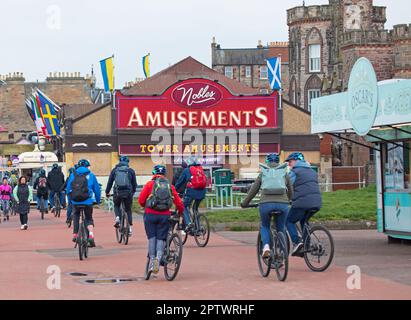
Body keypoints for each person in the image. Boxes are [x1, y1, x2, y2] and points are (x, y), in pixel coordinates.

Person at [241, 153, 293, 257]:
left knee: (265, 225)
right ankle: (282, 252)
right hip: (283, 205)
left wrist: (245, 203)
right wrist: (290, 200)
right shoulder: (284, 172)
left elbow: (253, 191)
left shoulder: (263, 173)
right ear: (278, 162)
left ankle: (266, 247)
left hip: (266, 204)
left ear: (267, 162)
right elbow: (290, 190)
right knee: (281, 227)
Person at [138, 165, 184, 274]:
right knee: (161, 238)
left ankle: (152, 260)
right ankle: (158, 259)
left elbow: (140, 200)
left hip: (150, 215)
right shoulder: (170, 186)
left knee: (152, 238)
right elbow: (178, 202)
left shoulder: (150, 184)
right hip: (164, 215)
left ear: (154, 173)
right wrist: (181, 212)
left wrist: (145, 205)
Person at [285, 152, 322, 256]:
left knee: (289, 221)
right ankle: (307, 245)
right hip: (316, 202)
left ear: (297, 161)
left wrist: (285, 197)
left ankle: (297, 243)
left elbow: (287, 186)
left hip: (301, 203)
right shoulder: (312, 171)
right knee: (304, 221)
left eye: (290, 161)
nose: (289, 164)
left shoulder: (294, 172)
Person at [66, 159, 101, 247]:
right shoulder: (91, 175)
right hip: (87, 201)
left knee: (76, 216)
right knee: (89, 218)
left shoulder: (73, 175)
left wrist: (71, 201)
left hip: (75, 201)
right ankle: (91, 235)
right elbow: (97, 189)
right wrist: (98, 200)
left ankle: (75, 234)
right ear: (87, 166)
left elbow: (68, 189)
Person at [105, 156, 137, 235]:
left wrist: (107, 192)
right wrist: (132, 192)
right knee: (128, 209)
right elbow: (134, 184)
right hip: (128, 193)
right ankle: (129, 228)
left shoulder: (114, 170)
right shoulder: (131, 171)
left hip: (118, 192)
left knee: (116, 205)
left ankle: (117, 218)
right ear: (128, 162)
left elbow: (110, 183)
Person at [174, 157, 207, 234]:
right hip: (202, 192)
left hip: (192, 192)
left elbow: (180, 182)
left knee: (184, 206)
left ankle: (188, 223)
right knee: (195, 208)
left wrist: (174, 189)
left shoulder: (187, 170)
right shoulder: (200, 169)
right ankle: (198, 228)